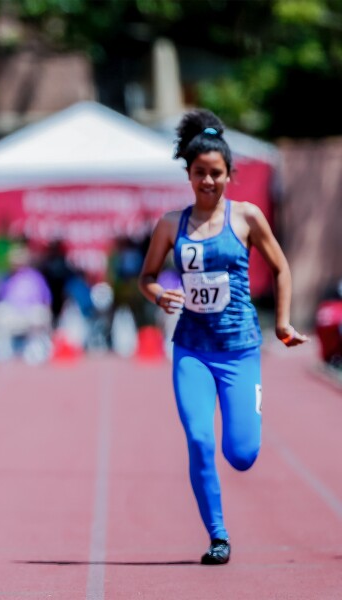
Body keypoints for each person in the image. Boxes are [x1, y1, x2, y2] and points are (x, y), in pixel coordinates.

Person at [138, 109, 308, 565]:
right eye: (199, 174)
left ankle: (242, 432)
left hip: (240, 351)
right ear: (188, 175)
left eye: (216, 174)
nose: (208, 182)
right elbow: (147, 277)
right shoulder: (170, 224)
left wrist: (283, 322)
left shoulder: (247, 217)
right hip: (191, 349)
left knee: (242, 454)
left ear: (230, 175)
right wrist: (159, 296)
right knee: (198, 439)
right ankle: (217, 535)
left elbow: (281, 267)